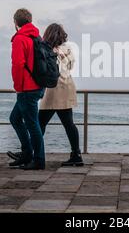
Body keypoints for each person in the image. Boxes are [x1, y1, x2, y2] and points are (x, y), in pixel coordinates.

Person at [39, 23, 84, 166]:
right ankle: (76, 154)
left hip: (54, 88)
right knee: (68, 123)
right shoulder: (69, 49)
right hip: (68, 85)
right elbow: (70, 67)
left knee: (40, 123)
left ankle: (34, 153)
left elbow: (46, 70)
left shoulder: (48, 49)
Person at [8, 8, 46, 170]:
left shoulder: (20, 39)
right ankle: (27, 153)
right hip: (38, 85)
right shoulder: (37, 36)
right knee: (15, 118)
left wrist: (18, 88)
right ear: (29, 21)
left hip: (27, 88)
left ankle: (38, 160)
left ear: (16, 23)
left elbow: (17, 65)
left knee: (32, 124)